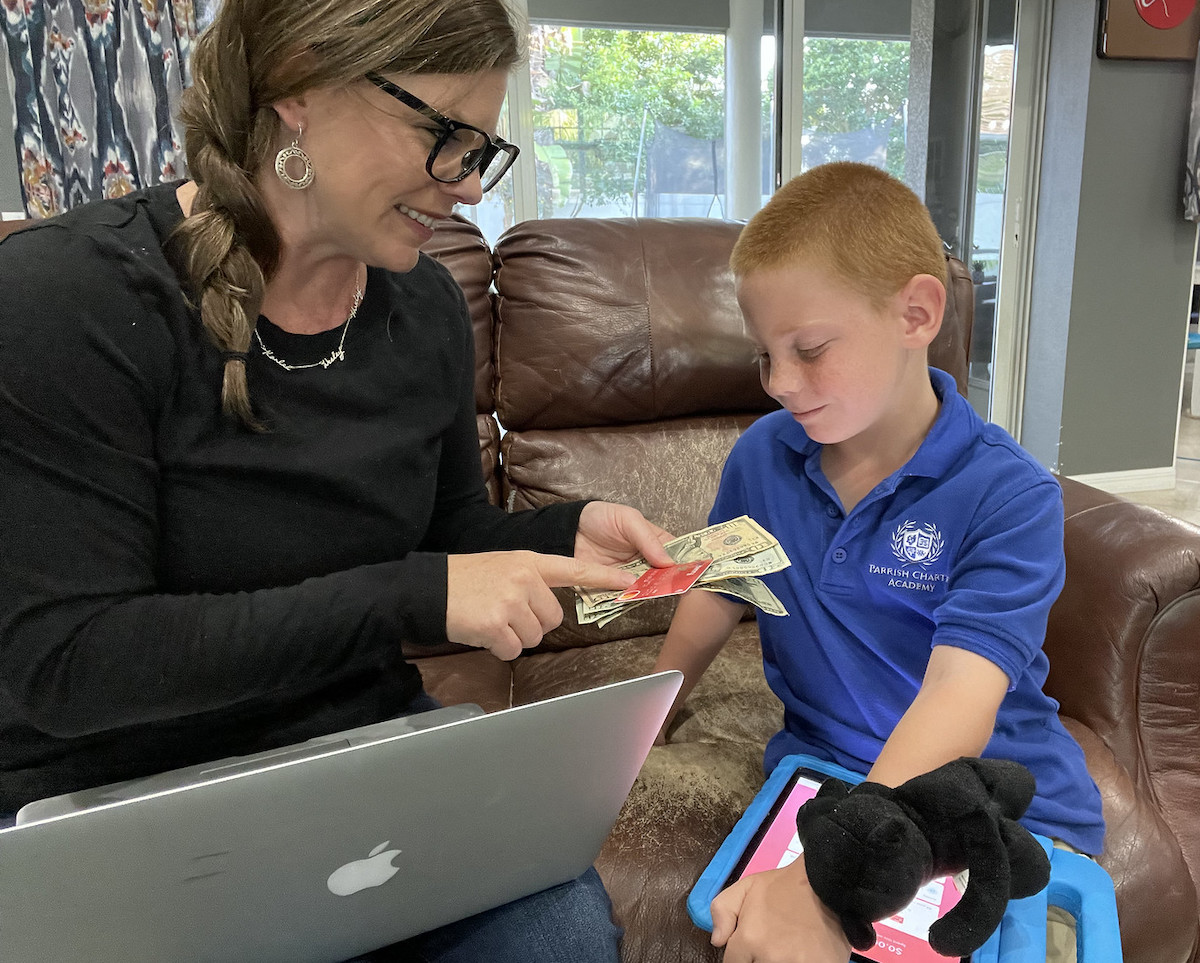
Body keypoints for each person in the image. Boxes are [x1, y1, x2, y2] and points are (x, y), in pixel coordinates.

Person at [0, 1, 674, 960]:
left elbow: (445, 534)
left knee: (557, 927)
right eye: (444, 135)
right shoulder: (68, 301)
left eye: (482, 150)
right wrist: (413, 590)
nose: (468, 187)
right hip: (126, 798)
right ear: (300, 88)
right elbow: (69, 665)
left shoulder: (427, 309)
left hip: (358, 767)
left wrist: (563, 532)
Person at [651, 161, 1104, 963]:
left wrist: (836, 865)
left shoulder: (1010, 495)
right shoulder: (762, 456)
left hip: (991, 806)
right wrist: (646, 714)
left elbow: (958, 694)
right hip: (821, 786)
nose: (781, 383)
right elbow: (718, 590)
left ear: (917, 312)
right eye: (764, 355)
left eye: (811, 349)